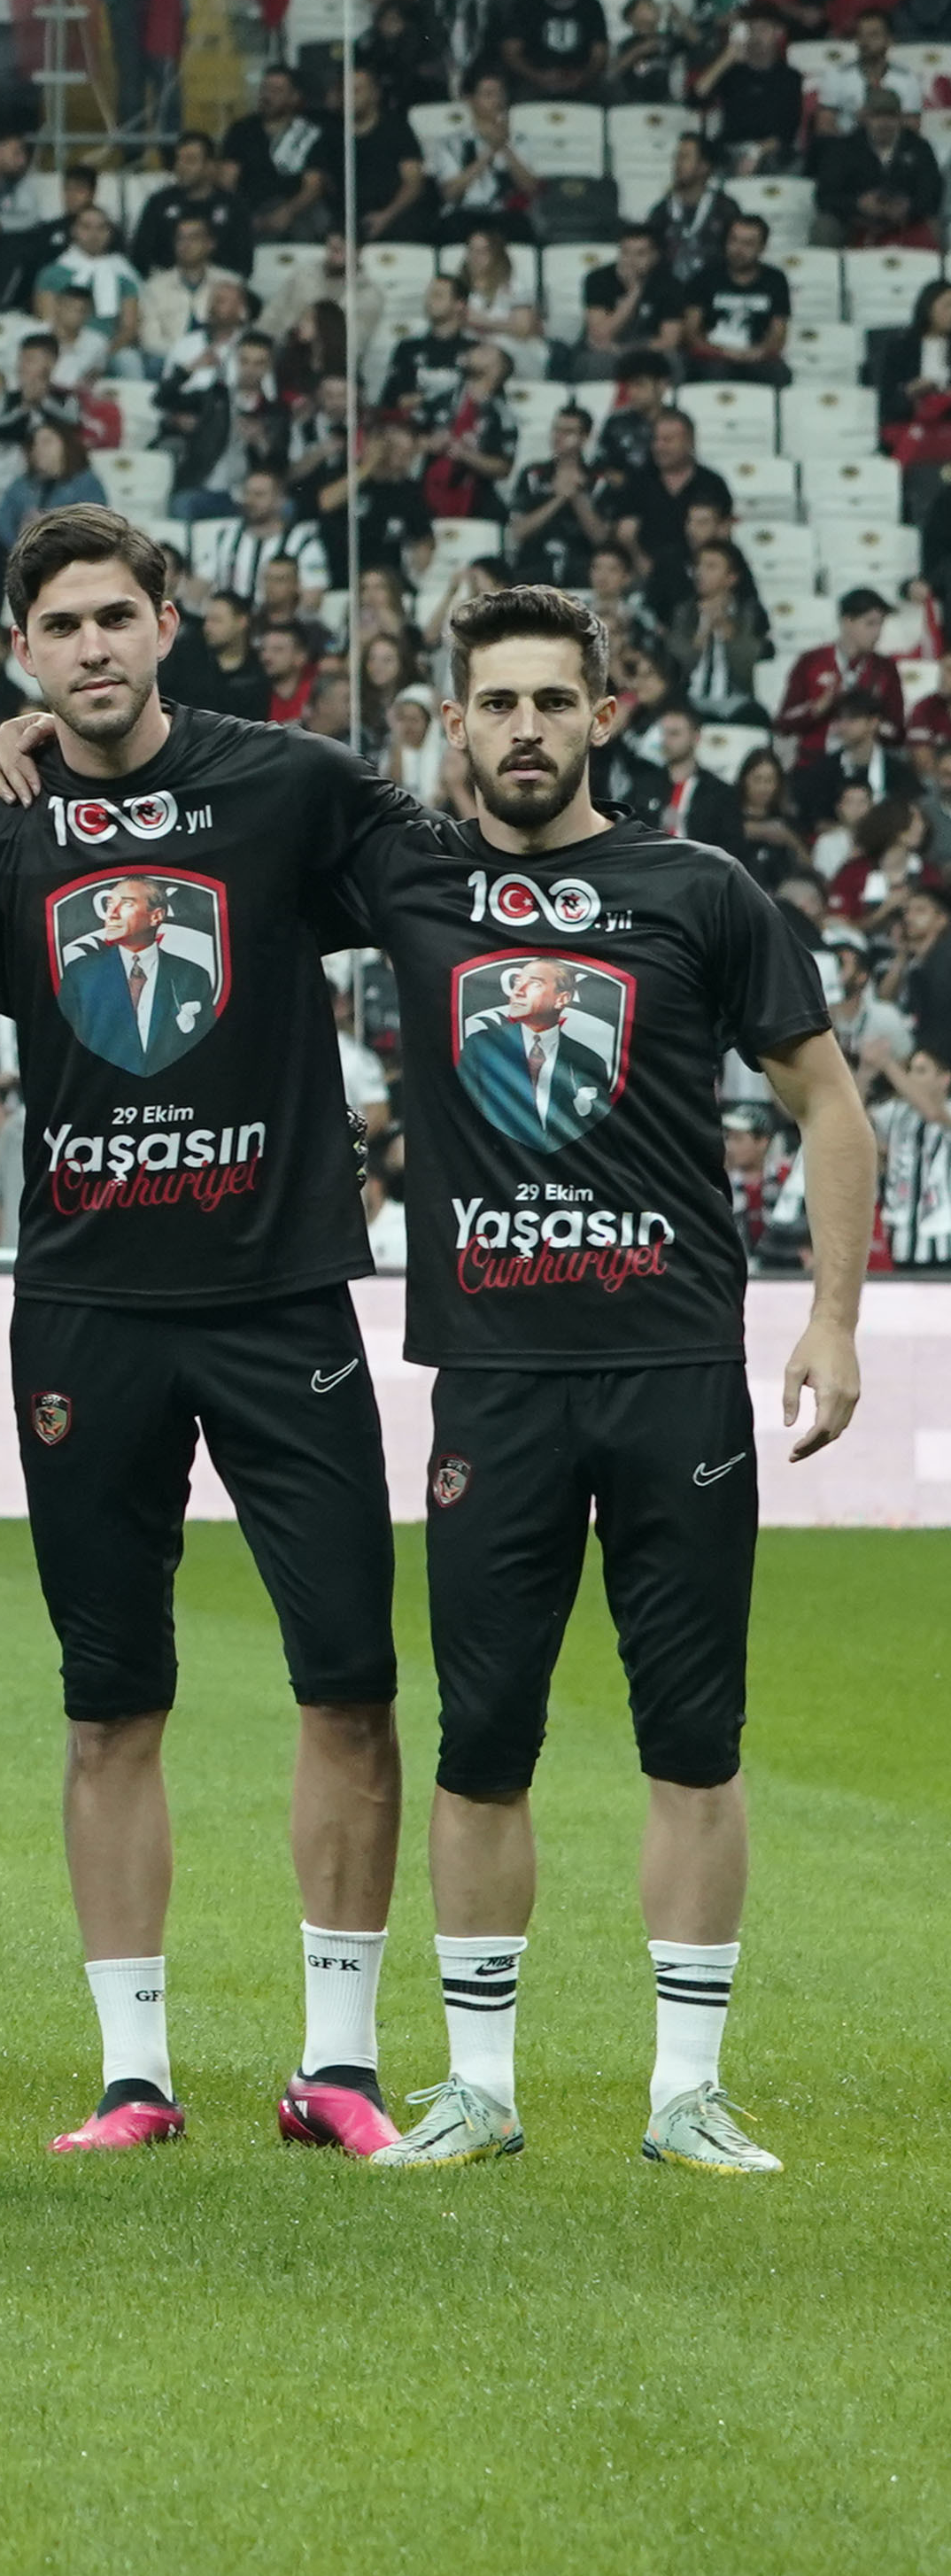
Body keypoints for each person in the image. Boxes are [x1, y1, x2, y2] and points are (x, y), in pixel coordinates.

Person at [337, 585, 870, 2176]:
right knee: (480, 1741)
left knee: (693, 1740)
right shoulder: (410, 882)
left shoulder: (697, 890)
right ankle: (480, 2092)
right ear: (452, 723)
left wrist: (833, 1319)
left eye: (551, 703)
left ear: (603, 717)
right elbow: (209, 803)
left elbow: (832, 1108)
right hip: (494, 1380)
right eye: (492, 704)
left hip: (674, 1371)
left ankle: (683, 2093)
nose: (523, 730)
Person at [0, 514, 418, 2156]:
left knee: (349, 1680)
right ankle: (134, 2075)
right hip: (85, 1310)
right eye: (58, 625)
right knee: (104, 1702)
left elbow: (462, 886)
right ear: (20, 651)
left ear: (168, 622)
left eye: (116, 617)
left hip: (283, 1298)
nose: (91, 648)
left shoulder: (291, 786)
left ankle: (336, 2066)